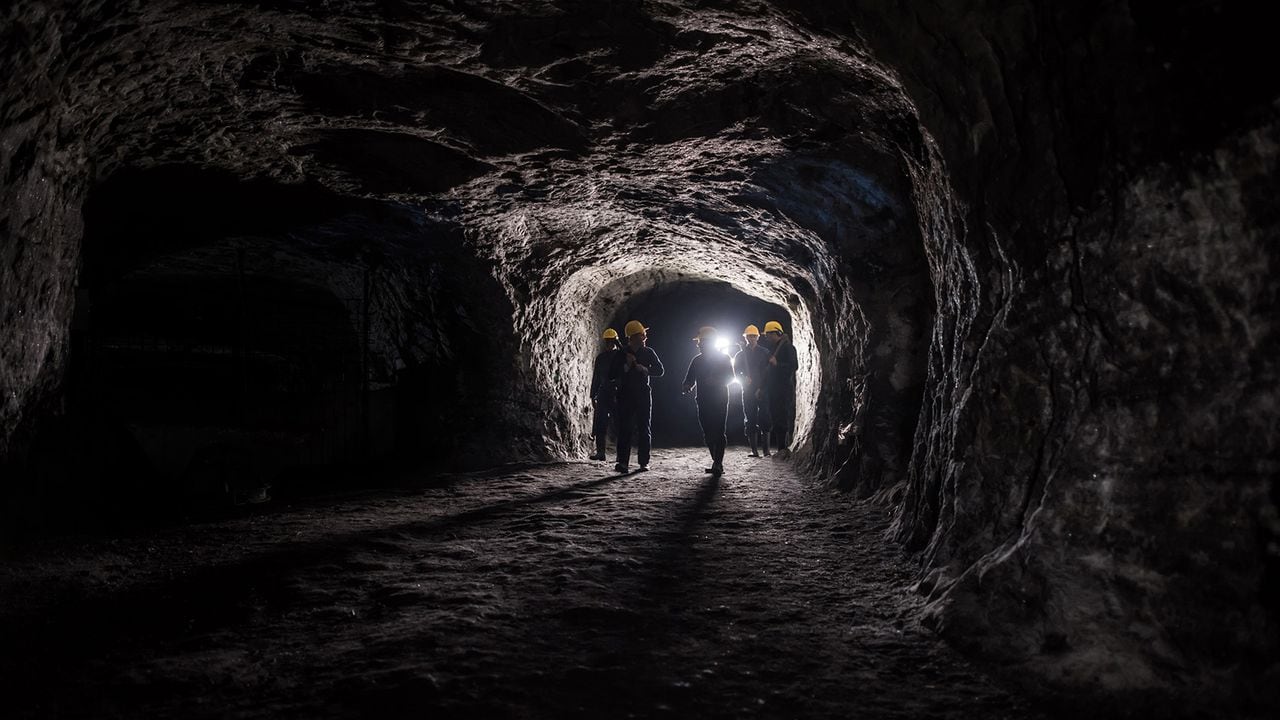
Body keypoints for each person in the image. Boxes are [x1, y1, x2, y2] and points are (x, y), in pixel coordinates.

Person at [610, 320, 664, 473]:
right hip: (625, 395)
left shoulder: (648, 352)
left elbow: (660, 370)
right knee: (625, 428)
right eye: (641, 334)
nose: (644, 336)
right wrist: (626, 367)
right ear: (633, 337)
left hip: (643, 394)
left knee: (643, 428)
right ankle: (622, 462)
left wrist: (645, 369)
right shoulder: (621, 353)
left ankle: (644, 462)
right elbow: (611, 374)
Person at [682, 326, 736, 476]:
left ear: (709, 342)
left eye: (701, 342)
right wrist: (687, 385)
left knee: (718, 431)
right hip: (703, 400)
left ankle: (718, 463)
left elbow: (731, 377)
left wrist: (717, 380)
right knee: (707, 432)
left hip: (719, 400)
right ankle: (716, 461)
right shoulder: (697, 360)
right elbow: (690, 378)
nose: (698, 344)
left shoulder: (724, 358)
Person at [734, 324, 773, 457]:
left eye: (753, 336)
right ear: (745, 338)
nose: (751, 338)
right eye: (749, 336)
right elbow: (736, 372)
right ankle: (754, 450)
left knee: (765, 418)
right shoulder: (740, 355)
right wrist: (743, 378)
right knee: (750, 418)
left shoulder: (765, 352)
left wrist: (762, 388)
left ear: (758, 337)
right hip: (748, 390)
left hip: (763, 390)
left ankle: (766, 450)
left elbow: (769, 372)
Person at [760, 320, 798, 455]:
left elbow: (793, 366)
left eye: (769, 335)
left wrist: (778, 364)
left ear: (776, 333)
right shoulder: (774, 348)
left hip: (783, 389)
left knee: (782, 416)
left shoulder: (788, 348)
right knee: (775, 417)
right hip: (773, 389)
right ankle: (780, 448)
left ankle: (783, 448)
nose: (767, 338)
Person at [588, 328, 621, 461]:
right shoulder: (600, 358)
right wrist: (592, 395)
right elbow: (596, 377)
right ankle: (600, 452)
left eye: (611, 341)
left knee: (619, 424)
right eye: (607, 342)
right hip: (603, 393)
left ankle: (621, 454)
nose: (609, 344)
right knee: (600, 423)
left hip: (617, 393)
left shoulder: (621, 356)